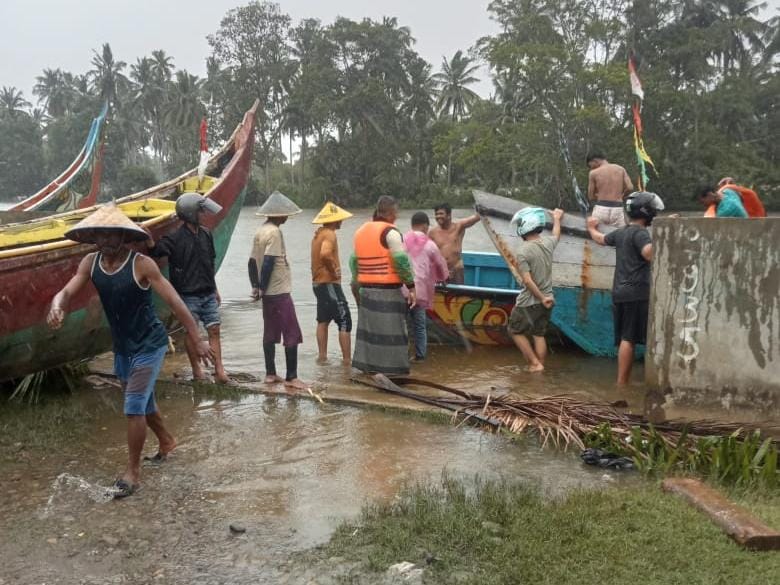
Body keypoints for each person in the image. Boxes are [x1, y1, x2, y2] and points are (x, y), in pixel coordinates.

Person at [47, 204, 214, 498]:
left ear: (124, 236)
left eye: (112, 235)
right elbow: (68, 290)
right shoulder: (90, 262)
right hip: (123, 347)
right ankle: (167, 440)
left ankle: (133, 473)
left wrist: (198, 337)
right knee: (143, 403)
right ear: (93, 237)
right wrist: (57, 305)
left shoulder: (142, 265)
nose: (105, 241)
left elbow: (175, 302)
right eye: (100, 235)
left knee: (133, 405)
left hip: (150, 344)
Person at [146, 193, 230, 384]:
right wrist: (149, 241)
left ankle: (219, 370)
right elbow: (157, 252)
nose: (203, 214)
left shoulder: (206, 234)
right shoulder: (174, 238)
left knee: (214, 330)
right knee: (192, 334)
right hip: (187, 295)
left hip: (208, 292)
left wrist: (215, 289)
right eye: (200, 211)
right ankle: (197, 370)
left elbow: (209, 264)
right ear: (191, 213)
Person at [587, 191, 665, 385]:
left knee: (625, 337)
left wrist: (590, 228)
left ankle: (623, 382)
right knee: (630, 339)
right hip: (636, 292)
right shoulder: (640, 233)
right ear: (647, 213)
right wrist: (665, 234)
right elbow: (648, 254)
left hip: (620, 292)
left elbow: (600, 239)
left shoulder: (621, 232)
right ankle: (622, 384)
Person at [248, 191, 308, 390]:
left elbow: (251, 262)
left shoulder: (260, 231)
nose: (287, 217)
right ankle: (292, 377)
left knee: (270, 332)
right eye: (285, 214)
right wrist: (263, 287)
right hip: (279, 291)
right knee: (291, 332)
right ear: (279, 214)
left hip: (267, 294)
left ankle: (270, 373)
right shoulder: (274, 232)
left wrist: (256, 286)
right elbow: (268, 262)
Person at [351, 196, 417, 374]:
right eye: (396, 212)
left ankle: (369, 369)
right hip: (388, 293)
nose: (397, 216)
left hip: (366, 291)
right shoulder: (391, 233)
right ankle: (393, 371)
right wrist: (411, 287)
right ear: (391, 213)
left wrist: (357, 287)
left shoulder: (360, 231)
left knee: (370, 333)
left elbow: (354, 262)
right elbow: (401, 261)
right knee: (392, 333)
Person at [506, 207, 564, 373]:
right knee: (538, 334)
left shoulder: (522, 251)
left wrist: (541, 298)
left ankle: (534, 364)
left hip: (530, 301)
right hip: (548, 299)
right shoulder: (547, 243)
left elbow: (527, 280)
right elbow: (556, 234)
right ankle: (540, 365)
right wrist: (557, 218)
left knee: (514, 331)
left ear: (525, 226)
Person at [311, 201, 354, 364]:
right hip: (329, 283)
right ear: (334, 220)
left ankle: (322, 358)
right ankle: (347, 362)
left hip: (318, 284)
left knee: (323, 320)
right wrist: (334, 269)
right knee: (344, 320)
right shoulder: (330, 234)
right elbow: (325, 253)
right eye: (340, 219)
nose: (341, 221)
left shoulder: (318, 234)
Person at [404, 212, 449, 362]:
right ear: (425, 226)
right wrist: (443, 278)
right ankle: (420, 356)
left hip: (403, 289)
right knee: (419, 326)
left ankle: (402, 356)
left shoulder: (402, 240)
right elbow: (440, 264)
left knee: (403, 324)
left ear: (412, 225)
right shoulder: (430, 244)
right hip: (420, 291)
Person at [428, 202, 481, 284]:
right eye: (436, 214)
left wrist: (482, 209)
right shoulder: (432, 233)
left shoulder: (459, 227)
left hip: (456, 270)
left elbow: (476, 217)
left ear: (449, 215)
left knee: (458, 292)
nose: (438, 216)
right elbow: (428, 254)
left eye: (441, 213)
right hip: (440, 272)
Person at [586, 152, 634, 228]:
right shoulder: (621, 169)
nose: (591, 168)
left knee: (595, 232)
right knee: (620, 234)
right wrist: (622, 196)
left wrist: (600, 196)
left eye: (591, 165)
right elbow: (630, 187)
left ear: (595, 161)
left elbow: (591, 196)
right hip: (617, 209)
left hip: (601, 208)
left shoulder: (593, 173)